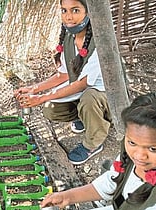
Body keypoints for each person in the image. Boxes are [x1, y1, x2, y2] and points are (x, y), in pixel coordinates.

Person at [14, 0, 111, 165]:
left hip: (104, 95)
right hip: (84, 91)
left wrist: (41, 98)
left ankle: (93, 143)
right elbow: (64, 75)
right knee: (51, 109)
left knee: (89, 98)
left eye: (75, 10)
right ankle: (84, 117)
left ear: (88, 12)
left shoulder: (100, 41)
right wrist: (33, 89)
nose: (68, 17)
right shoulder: (69, 38)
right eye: (64, 10)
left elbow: (82, 84)